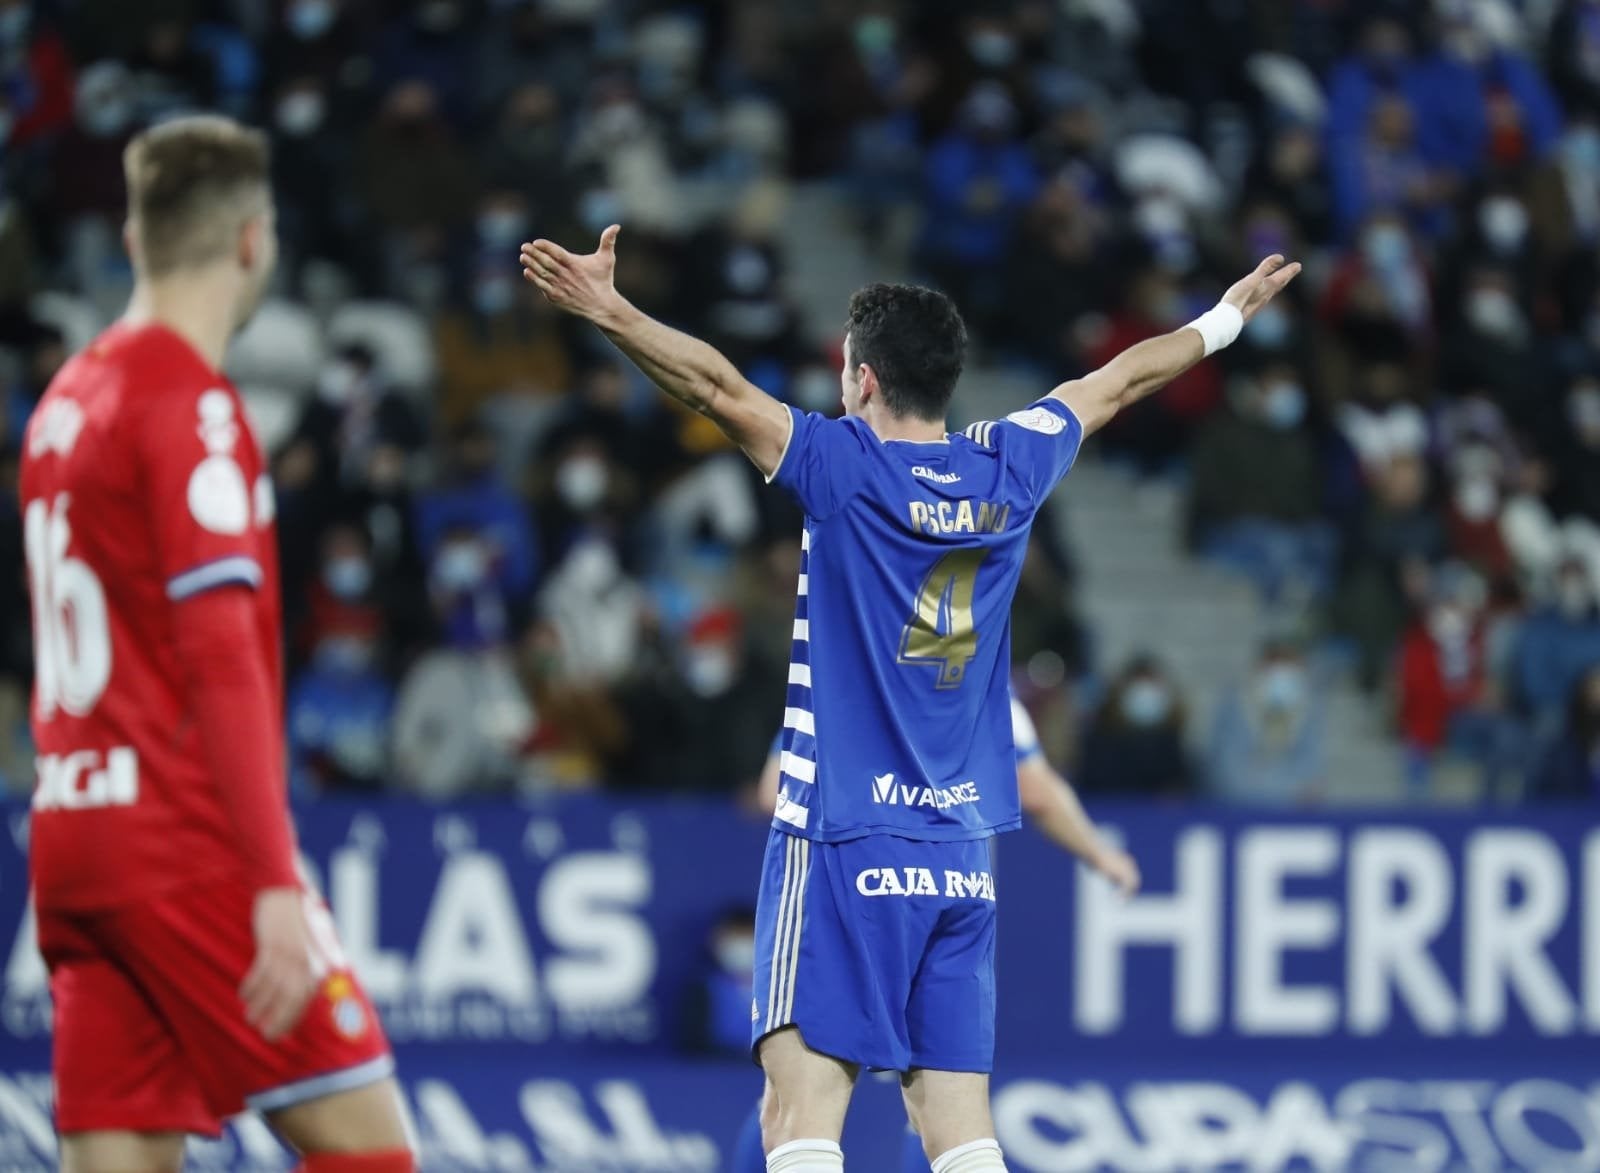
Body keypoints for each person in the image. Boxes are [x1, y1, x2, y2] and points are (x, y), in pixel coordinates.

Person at [521, 223, 1297, 1173]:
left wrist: (609, 310)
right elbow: (1120, 382)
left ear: (864, 382)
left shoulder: (842, 470)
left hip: (843, 836)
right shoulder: (1009, 467)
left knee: (798, 1111)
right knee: (960, 1133)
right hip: (961, 852)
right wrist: (1223, 318)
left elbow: (715, 388)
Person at [18, 116, 412, 1173]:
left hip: (72, 837)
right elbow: (222, 656)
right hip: (182, 840)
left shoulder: (63, 404)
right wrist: (272, 880)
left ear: (138, 239)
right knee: (368, 1154)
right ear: (252, 240)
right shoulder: (189, 405)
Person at [731, 691, 1140, 1171]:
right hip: (957, 890)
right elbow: (1037, 790)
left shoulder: (848, 668)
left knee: (795, 1110)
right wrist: (1101, 854)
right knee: (951, 1122)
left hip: (851, 888)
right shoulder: (988, 691)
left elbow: (771, 788)